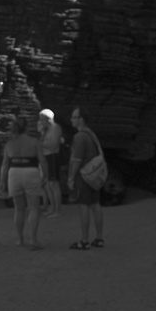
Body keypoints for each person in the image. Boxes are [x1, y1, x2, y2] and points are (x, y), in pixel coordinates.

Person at [0, 112, 47, 249]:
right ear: (26, 128)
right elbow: (42, 161)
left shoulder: (10, 144)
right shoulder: (34, 142)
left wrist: (2, 181)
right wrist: (46, 176)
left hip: (14, 173)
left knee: (19, 209)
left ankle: (20, 239)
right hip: (31, 172)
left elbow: (5, 165)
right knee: (33, 208)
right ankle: (33, 239)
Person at [66, 106, 105, 249]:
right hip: (94, 175)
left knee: (83, 206)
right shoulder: (91, 134)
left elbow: (76, 160)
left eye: (74, 117)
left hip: (83, 176)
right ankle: (99, 238)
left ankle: (84, 240)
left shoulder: (79, 137)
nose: (72, 120)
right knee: (96, 205)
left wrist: (71, 177)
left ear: (81, 119)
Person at [37, 107, 65, 217]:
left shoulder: (56, 128)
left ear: (48, 119)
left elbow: (53, 146)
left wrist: (40, 144)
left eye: (42, 119)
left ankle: (57, 211)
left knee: (54, 184)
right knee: (48, 184)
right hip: (47, 158)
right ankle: (52, 208)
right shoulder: (47, 129)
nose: (40, 121)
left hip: (53, 158)